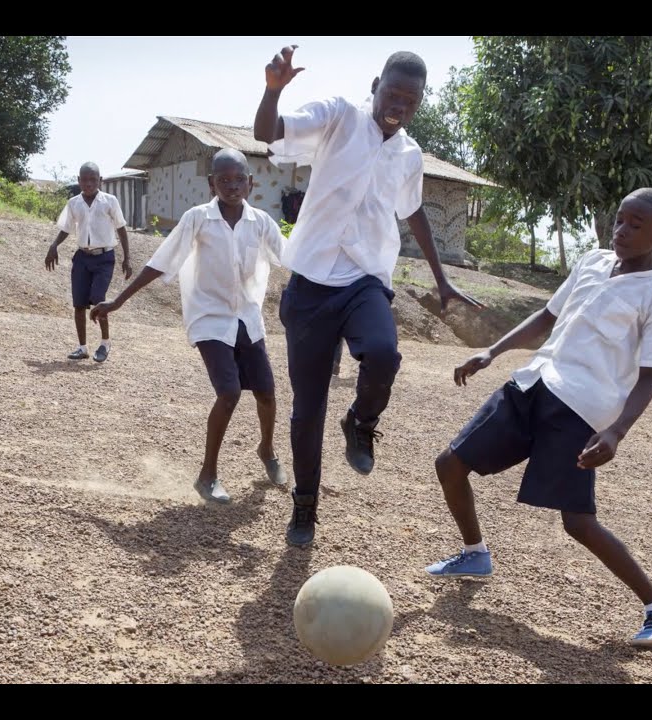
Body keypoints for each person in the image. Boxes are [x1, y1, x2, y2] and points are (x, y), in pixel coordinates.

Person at [424, 188, 652, 647]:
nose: (622, 231)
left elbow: (648, 379)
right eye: (619, 220)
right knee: (449, 464)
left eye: (636, 224)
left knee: (577, 522)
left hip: (581, 409)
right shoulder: (591, 261)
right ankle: (474, 554)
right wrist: (492, 350)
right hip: (532, 384)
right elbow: (545, 318)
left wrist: (616, 431)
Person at [253, 45, 482, 547]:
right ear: (375, 85)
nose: (397, 105)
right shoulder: (339, 117)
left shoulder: (410, 155)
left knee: (383, 352)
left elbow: (414, 211)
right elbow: (267, 133)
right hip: (312, 280)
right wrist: (272, 91)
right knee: (306, 409)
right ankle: (305, 506)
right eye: (391, 93)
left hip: (365, 278)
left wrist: (442, 279)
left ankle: (360, 422)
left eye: (410, 99)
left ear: (420, 102)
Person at [91, 149, 288, 503]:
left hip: (247, 316)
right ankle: (207, 475)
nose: (232, 186)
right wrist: (118, 301)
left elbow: (292, 258)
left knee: (267, 394)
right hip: (210, 317)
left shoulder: (261, 222)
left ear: (251, 183)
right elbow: (161, 261)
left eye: (239, 179)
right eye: (223, 180)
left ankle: (267, 449)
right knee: (228, 392)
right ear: (211, 183)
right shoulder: (198, 219)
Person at [44, 163, 132, 363]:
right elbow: (66, 228)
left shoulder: (110, 201)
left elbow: (121, 228)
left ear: (100, 180)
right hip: (82, 257)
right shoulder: (74, 203)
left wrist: (127, 257)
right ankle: (82, 347)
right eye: (84, 179)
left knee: (99, 298)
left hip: (104, 258)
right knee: (79, 303)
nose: (89, 183)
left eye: (93, 179)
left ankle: (104, 343)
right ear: (78, 180)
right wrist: (54, 245)